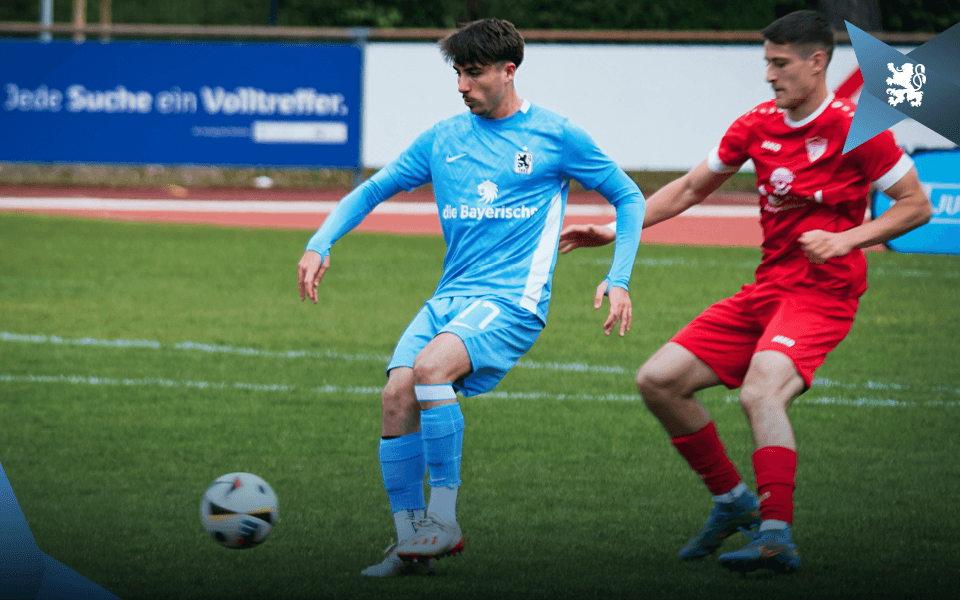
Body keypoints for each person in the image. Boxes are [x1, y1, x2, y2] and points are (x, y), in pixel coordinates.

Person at [558, 10, 930, 575]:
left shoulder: (859, 129)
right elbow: (690, 188)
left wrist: (847, 239)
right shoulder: (756, 125)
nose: (769, 75)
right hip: (766, 290)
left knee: (761, 392)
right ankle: (734, 502)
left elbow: (916, 206)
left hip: (822, 294)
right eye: (766, 63)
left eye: (780, 64)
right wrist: (613, 230)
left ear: (817, 62)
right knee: (659, 381)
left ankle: (776, 535)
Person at [297, 18, 645, 577]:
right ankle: (410, 542)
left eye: (474, 73)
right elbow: (373, 188)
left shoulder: (555, 135)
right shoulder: (443, 139)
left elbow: (628, 196)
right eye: (458, 73)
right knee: (396, 396)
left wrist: (619, 276)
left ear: (509, 71)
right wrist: (320, 242)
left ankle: (443, 518)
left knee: (431, 369)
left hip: (512, 301)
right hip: (451, 297)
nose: (462, 85)